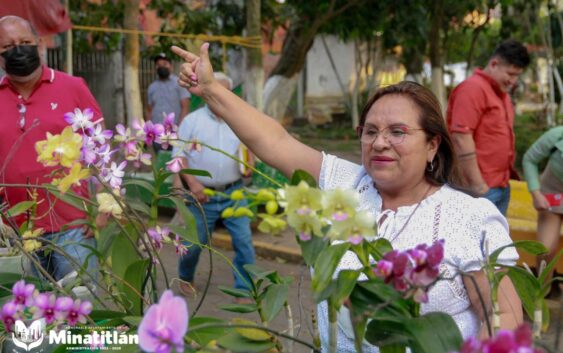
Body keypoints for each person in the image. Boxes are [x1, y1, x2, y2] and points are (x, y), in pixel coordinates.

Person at [172, 43, 524, 351]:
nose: (380, 142)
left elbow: (503, 312)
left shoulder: (469, 216)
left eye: (398, 132)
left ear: (432, 144)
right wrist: (211, 90)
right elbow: (274, 142)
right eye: (370, 131)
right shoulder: (346, 182)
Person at [0, 16, 101, 281]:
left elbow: (99, 146)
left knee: (79, 311)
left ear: (39, 44)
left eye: (24, 42)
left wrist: (104, 205)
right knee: (29, 314)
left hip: (74, 225)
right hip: (17, 230)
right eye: (8, 46)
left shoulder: (73, 87)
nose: (18, 50)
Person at [172, 72, 256, 297]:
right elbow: (178, 156)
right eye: (214, 90)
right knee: (192, 245)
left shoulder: (238, 119)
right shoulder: (192, 121)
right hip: (201, 194)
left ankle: (245, 289)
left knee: (244, 242)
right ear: (206, 91)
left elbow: (249, 146)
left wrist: (250, 164)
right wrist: (192, 183)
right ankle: (185, 277)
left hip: (234, 191)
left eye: (224, 91)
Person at [447, 39, 530, 215]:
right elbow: (461, 137)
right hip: (477, 189)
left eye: (517, 76)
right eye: (510, 74)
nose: (513, 81)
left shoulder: (502, 93)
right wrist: (478, 185)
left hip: (499, 185)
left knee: (496, 242)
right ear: (493, 64)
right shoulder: (472, 89)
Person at [522, 126, 563, 297]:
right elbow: (529, 159)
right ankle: (543, 292)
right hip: (551, 196)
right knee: (545, 248)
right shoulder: (557, 135)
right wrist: (535, 192)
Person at [146, 52, 190, 152]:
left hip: (175, 132)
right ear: (155, 68)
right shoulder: (152, 87)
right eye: (159, 65)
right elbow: (149, 110)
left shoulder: (179, 83)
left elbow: (185, 107)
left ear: (171, 66)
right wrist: (149, 130)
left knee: (176, 160)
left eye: (165, 64)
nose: (162, 67)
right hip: (157, 134)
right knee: (160, 161)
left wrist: (180, 129)